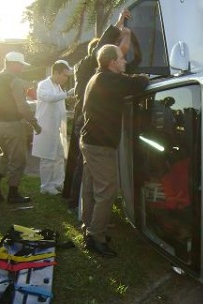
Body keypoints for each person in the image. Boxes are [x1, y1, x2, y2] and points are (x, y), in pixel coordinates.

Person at [80, 44, 149, 257]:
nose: (125, 61)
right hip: (100, 146)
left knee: (92, 187)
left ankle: (88, 227)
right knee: (108, 191)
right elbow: (138, 83)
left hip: (90, 142)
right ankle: (96, 236)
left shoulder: (99, 77)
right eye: (121, 58)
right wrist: (145, 76)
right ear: (112, 62)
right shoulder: (109, 80)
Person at [64, 9, 133, 212]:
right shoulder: (91, 65)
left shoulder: (84, 66)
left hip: (83, 117)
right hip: (88, 120)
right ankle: (78, 204)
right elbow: (109, 46)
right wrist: (120, 25)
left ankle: (77, 204)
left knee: (83, 165)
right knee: (85, 168)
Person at [0, 52, 42, 204]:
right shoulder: (14, 81)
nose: (23, 67)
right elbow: (22, 106)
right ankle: (13, 194)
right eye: (21, 64)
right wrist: (34, 123)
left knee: (5, 155)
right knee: (18, 159)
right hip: (12, 125)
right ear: (13, 64)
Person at [31, 60, 74, 195]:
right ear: (56, 73)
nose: (66, 79)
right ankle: (46, 186)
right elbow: (49, 98)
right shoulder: (43, 85)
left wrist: (68, 113)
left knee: (59, 156)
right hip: (46, 128)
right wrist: (67, 94)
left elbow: (58, 105)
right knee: (47, 158)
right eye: (65, 75)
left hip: (57, 128)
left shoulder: (58, 86)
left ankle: (58, 183)